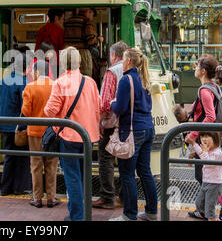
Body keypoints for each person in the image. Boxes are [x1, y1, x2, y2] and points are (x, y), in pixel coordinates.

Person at [44, 46, 100, 221]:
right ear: (80, 62)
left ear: (62, 63)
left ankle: (77, 216)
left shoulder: (60, 82)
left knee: (72, 178)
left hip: (68, 136)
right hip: (88, 136)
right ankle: (84, 212)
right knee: (84, 176)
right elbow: (97, 109)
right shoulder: (90, 82)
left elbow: (50, 111)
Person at [185, 54, 222, 220]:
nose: (195, 68)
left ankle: (211, 210)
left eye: (197, 66)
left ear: (203, 71)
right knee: (206, 176)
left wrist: (193, 136)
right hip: (212, 140)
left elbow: (210, 117)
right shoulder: (214, 87)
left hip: (206, 141)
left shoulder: (205, 90)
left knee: (204, 177)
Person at [109, 47, 158, 221]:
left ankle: (129, 214)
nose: (122, 62)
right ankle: (152, 212)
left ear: (129, 60)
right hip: (148, 129)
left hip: (131, 130)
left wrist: (112, 103)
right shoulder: (144, 78)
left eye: (123, 59)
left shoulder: (126, 80)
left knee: (127, 174)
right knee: (145, 171)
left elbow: (120, 108)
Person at [93, 40, 128, 210]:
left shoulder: (111, 72)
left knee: (106, 158)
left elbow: (105, 102)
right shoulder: (132, 70)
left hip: (112, 122)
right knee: (124, 157)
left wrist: (99, 122)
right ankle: (123, 195)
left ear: (113, 55)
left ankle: (107, 196)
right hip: (128, 123)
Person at [21, 60, 60, 208]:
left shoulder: (30, 87)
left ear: (36, 72)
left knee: (36, 164)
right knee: (51, 164)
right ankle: (51, 198)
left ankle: (37, 198)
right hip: (52, 132)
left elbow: (25, 111)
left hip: (35, 131)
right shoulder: (56, 85)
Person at [0, 52, 32, 196]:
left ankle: (5, 188)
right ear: (26, 67)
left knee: (9, 157)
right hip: (18, 127)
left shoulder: (5, 80)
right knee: (22, 158)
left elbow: (0, 100)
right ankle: (20, 188)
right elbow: (25, 107)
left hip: (5, 124)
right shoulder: (24, 83)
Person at [189, 132, 222, 221]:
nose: (204, 139)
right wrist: (194, 143)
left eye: (207, 136)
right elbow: (201, 153)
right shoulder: (208, 151)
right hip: (206, 182)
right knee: (199, 204)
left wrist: (205, 151)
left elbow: (208, 163)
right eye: (202, 136)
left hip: (215, 185)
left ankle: (212, 218)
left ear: (215, 139)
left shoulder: (218, 153)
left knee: (210, 209)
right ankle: (211, 217)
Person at [63, 8, 100, 77]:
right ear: (88, 12)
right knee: (84, 76)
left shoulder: (67, 22)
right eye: (92, 15)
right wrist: (98, 40)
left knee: (70, 75)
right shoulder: (86, 22)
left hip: (68, 53)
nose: (92, 18)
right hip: (82, 54)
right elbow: (90, 40)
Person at [35, 8, 65, 73]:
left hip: (42, 64)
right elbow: (62, 49)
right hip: (55, 64)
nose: (63, 21)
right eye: (62, 19)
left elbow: (37, 49)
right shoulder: (60, 31)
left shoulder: (41, 30)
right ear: (56, 18)